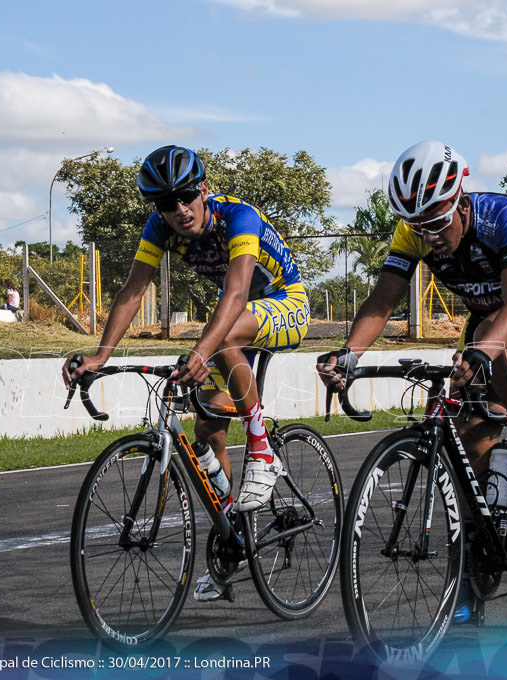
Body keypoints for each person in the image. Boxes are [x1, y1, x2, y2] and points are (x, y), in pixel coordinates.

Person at [317, 140, 507, 621]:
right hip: (487, 324)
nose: (429, 236)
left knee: (494, 335)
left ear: (460, 199)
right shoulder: (414, 234)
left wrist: (481, 351)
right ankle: (479, 567)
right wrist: (350, 354)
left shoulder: (504, 216)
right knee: (469, 437)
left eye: (437, 223)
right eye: (419, 226)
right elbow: (382, 301)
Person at [62, 145, 309, 601]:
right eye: (164, 202)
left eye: (186, 196)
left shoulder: (239, 217)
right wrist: (100, 354)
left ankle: (262, 449)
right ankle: (234, 540)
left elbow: (235, 294)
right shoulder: (160, 227)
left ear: (204, 190)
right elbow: (133, 291)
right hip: (238, 318)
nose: (178, 210)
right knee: (207, 427)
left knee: (224, 334)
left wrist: (200, 351)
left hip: (285, 304)